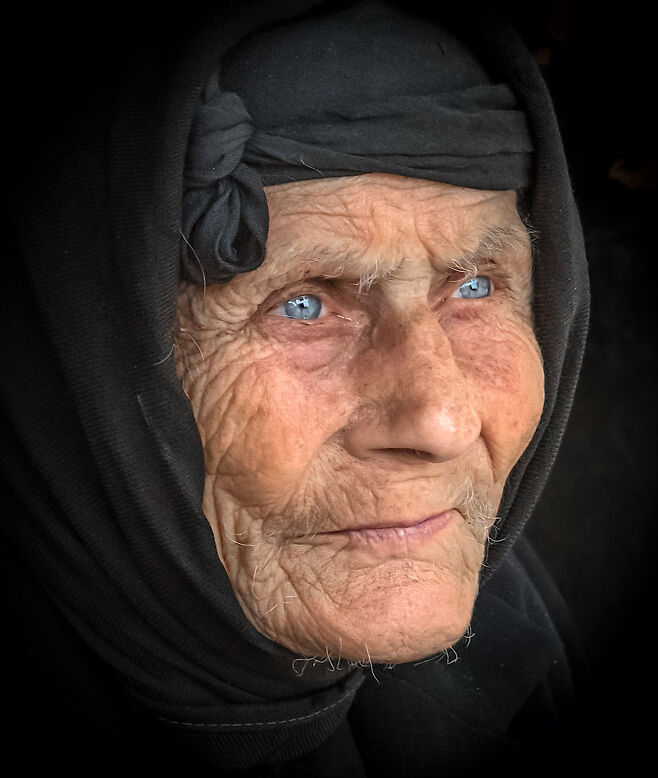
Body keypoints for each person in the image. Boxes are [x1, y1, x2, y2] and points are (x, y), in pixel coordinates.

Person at [1, 1, 589, 775]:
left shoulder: (513, 639)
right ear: (88, 362)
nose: (440, 419)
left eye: (477, 287)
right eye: (303, 305)